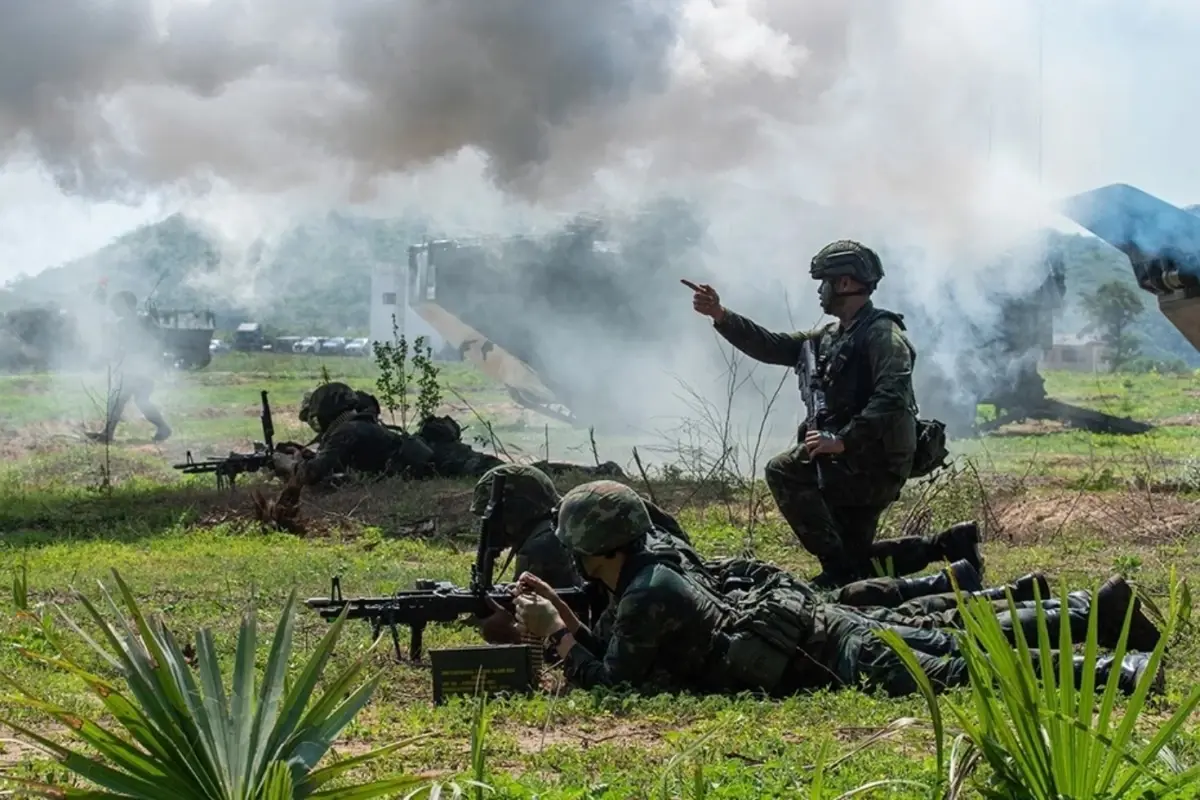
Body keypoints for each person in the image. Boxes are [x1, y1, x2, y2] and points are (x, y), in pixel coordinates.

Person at [512, 481, 1162, 699]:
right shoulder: (651, 573)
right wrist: (568, 617)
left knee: (964, 672)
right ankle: (1093, 612)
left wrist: (556, 636)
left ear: (596, 544)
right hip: (826, 633)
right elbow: (626, 645)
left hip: (831, 655)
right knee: (966, 641)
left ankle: (1119, 674)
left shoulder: (649, 592)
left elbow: (616, 681)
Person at [685, 240, 972, 587]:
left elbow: (893, 397)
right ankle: (949, 545)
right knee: (857, 560)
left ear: (846, 284)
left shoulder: (883, 335)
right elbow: (772, 345)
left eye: (825, 282)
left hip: (873, 460)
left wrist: (842, 441)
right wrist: (720, 315)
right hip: (857, 459)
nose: (820, 291)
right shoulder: (829, 336)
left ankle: (836, 570)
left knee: (784, 471)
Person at [87, 290, 172, 443]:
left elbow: (158, 338)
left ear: (125, 304)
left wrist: (154, 321)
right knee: (136, 401)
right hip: (134, 368)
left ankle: (108, 434)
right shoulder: (124, 324)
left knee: (118, 400)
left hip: (140, 368)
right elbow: (118, 349)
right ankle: (163, 428)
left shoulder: (144, 321)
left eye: (116, 305)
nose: (113, 309)